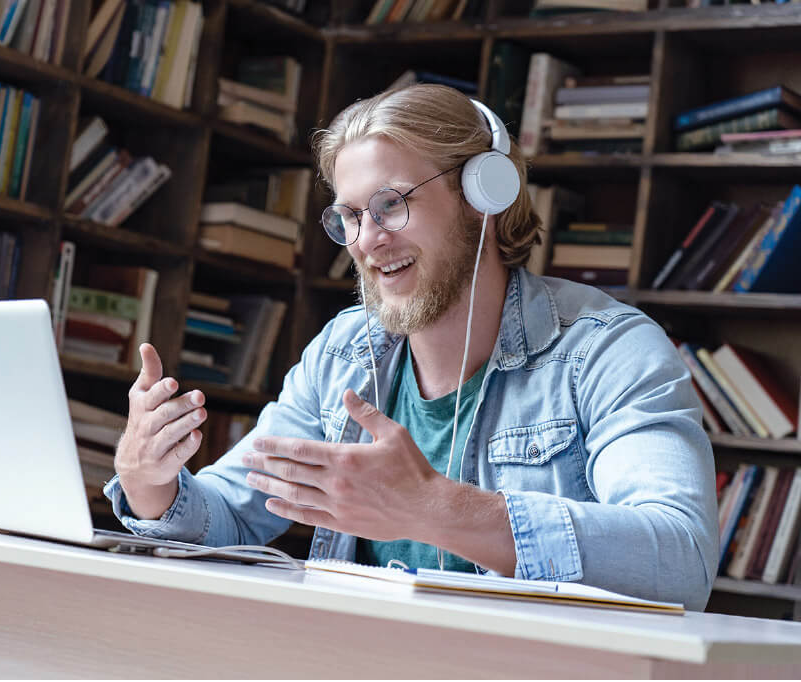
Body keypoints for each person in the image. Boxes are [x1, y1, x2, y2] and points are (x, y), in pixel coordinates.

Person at [104, 84, 719, 611]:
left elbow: (679, 556)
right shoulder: (344, 352)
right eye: (348, 215)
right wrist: (150, 483)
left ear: (484, 195)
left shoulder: (608, 351)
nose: (367, 241)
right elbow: (234, 515)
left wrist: (435, 508)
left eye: (390, 205)